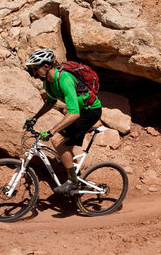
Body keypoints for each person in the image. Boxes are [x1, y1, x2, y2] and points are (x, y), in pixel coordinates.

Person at [24, 48, 102, 195]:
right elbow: (50, 102)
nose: (34, 73)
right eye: (32, 70)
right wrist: (35, 117)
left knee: (57, 138)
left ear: (46, 66)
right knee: (62, 144)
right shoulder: (48, 82)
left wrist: (53, 130)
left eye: (35, 69)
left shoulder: (64, 79)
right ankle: (73, 173)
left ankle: (73, 182)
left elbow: (74, 113)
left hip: (90, 112)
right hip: (80, 112)